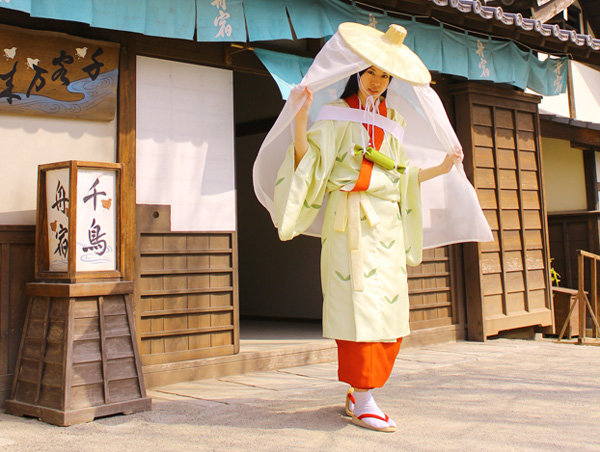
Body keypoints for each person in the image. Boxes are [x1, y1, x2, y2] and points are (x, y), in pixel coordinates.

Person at [253, 22, 492, 433]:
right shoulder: (335, 115)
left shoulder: (394, 120)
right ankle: (362, 394)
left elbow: (402, 177)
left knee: (390, 310)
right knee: (358, 309)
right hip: (350, 222)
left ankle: (360, 393)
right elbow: (307, 162)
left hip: (387, 227)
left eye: (384, 75)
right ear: (357, 73)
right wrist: (300, 117)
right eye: (370, 73)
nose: (377, 81)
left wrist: (444, 166)